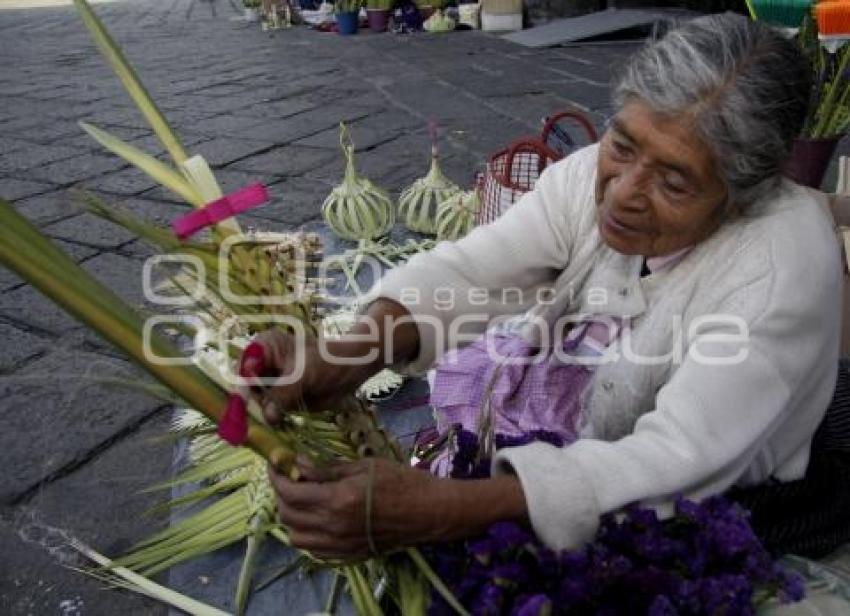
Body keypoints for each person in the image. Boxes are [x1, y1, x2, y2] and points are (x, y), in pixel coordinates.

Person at [249, 13, 843, 560]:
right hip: (599, 429)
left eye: (674, 181)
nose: (621, 192)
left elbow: (676, 461)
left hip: (724, 497)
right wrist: (349, 353)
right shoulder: (588, 175)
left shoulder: (778, 265)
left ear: (743, 193)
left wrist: (443, 511)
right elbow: (474, 272)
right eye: (624, 145)